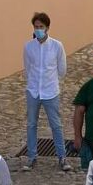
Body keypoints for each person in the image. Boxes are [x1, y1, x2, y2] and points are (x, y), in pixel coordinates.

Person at [22, 12, 70, 171]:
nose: (38, 30)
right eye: (36, 27)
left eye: (41, 27)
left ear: (47, 28)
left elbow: (62, 70)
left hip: (51, 91)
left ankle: (62, 157)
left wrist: (50, 80)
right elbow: (27, 68)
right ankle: (31, 157)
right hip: (33, 91)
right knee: (31, 124)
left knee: (56, 125)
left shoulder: (57, 46)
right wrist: (32, 82)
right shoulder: (28, 46)